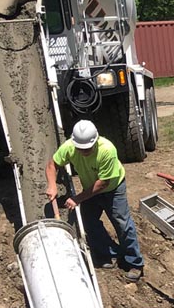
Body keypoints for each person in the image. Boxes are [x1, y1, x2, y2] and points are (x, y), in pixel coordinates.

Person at [45, 120, 145, 282]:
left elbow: (103, 183)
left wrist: (77, 198)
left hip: (112, 188)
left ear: (96, 141)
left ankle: (134, 262)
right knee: (88, 221)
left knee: (122, 222)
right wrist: (52, 186)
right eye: (80, 148)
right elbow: (52, 165)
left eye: (87, 148)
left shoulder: (107, 150)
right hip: (91, 188)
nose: (84, 151)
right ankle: (110, 253)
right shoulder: (69, 147)